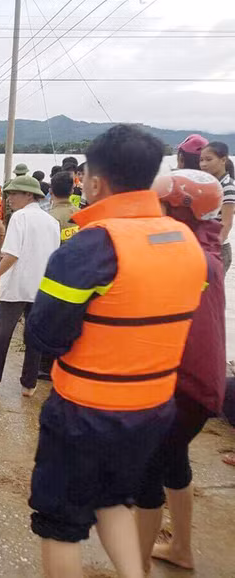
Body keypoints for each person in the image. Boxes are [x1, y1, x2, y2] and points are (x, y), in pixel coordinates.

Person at [25, 124, 207, 578]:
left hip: (85, 412)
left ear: (95, 182)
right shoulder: (187, 241)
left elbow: (45, 337)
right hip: (153, 409)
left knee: (61, 525)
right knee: (116, 501)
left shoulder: (91, 245)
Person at [135, 170, 225, 574]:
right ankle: (181, 550)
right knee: (174, 461)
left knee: (145, 474)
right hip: (203, 381)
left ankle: (133, 566)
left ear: (178, 209)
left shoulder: (181, 253)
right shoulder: (207, 245)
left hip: (181, 383)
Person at [0, 175, 59, 397]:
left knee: (1, 332)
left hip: (17, 286)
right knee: (34, 335)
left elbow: (11, 255)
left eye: (13, 194)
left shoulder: (20, 218)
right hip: (41, 287)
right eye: (8, 194)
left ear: (29, 195)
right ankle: (29, 384)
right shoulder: (52, 222)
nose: (9, 199)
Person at [37, 171, 80, 381]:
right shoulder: (83, 216)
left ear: (51, 192)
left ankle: (46, 367)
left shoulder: (48, 219)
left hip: (53, 279)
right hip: (79, 278)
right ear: (72, 190)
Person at [200, 141, 235, 273]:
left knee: (211, 292)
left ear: (223, 160)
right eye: (201, 160)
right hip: (206, 247)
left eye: (209, 159)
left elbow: (226, 223)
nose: (203, 164)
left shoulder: (227, 186)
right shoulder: (210, 184)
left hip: (217, 249)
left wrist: (213, 249)